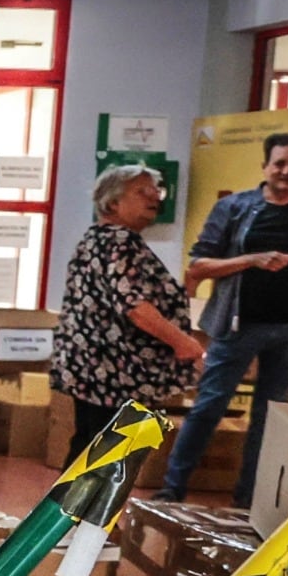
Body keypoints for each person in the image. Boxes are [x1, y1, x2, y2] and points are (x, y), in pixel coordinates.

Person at [160, 133, 288, 504]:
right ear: (265, 166)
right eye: (279, 163)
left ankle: (247, 500)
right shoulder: (234, 208)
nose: (286, 171)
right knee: (209, 405)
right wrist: (251, 259)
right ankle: (172, 489)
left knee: (269, 417)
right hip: (237, 325)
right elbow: (199, 264)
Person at [48, 165, 206, 463]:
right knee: (103, 460)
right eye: (141, 191)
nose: (154, 197)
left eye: (155, 190)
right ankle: (74, 511)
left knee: (90, 453)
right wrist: (183, 342)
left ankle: (69, 511)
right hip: (114, 373)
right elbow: (134, 306)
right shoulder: (121, 242)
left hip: (95, 369)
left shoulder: (96, 238)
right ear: (112, 203)